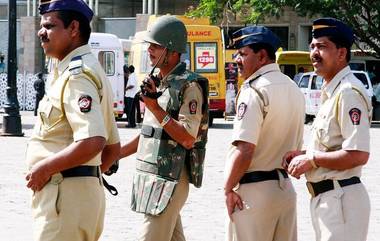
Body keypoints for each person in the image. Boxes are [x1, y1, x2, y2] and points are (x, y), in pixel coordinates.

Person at [25, 0, 120, 240]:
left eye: (49, 26)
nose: (41, 32)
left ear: (74, 28)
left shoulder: (77, 76)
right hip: (75, 197)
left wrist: (45, 169)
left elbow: (94, 141)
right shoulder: (88, 69)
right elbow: (113, 148)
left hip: (63, 199)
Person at [119, 15, 209, 241]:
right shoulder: (159, 83)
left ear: (172, 50)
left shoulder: (189, 86)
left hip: (171, 180)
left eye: (156, 46)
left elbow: (188, 138)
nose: (149, 50)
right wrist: (116, 155)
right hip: (155, 178)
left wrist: (155, 108)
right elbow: (151, 135)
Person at [283, 18, 372, 241]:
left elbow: (358, 154)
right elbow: (333, 145)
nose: (313, 53)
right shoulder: (332, 92)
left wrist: (312, 160)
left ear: (341, 53)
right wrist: (303, 155)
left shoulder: (348, 93)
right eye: (312, 46)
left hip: (341, 201)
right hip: (327, 199)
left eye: (322, 47)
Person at [224, 26, 305, 241]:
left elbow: (245, 149)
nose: (237, 60)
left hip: (254, 193)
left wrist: (228, 188)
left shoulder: (255, 90)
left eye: (242, 54)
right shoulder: (293, 88)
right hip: (285, 191)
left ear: (261, 56)